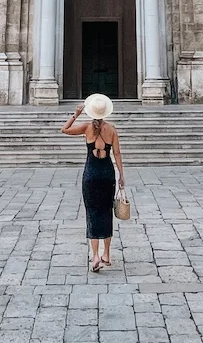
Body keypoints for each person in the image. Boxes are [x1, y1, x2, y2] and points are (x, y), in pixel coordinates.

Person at [61, 92, 125, 272]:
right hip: (107, 175)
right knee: (106, 212)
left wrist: (75, 114)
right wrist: (121, 175)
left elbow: (64, 130)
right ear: (105, 113)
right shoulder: (111, 130)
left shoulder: (86, 128)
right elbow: (117, 154)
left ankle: (95, 255)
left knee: (92, 213)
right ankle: (107, 254)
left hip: (90, 175)